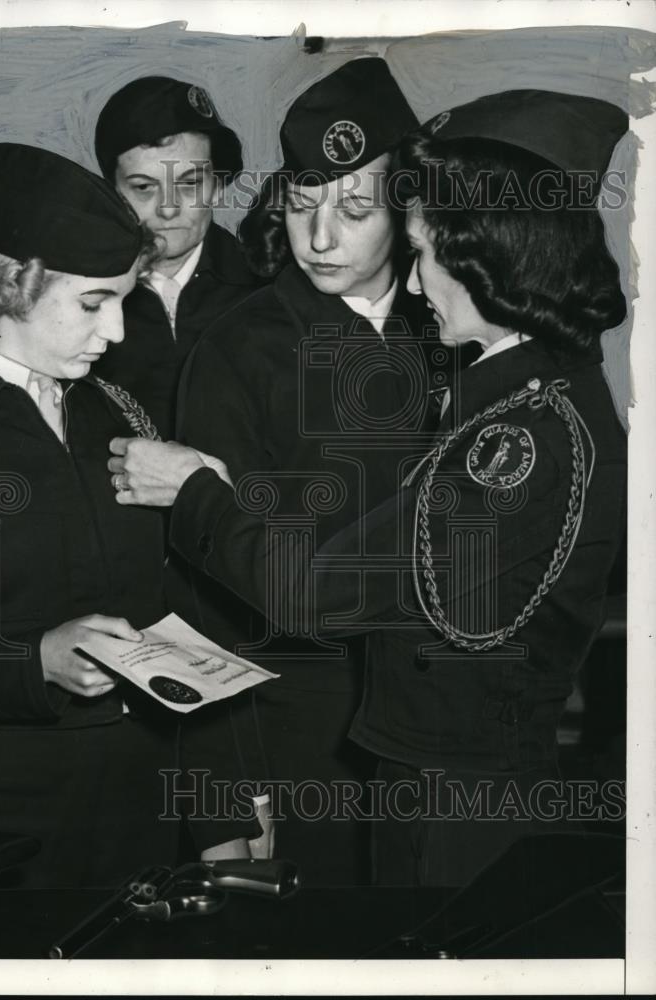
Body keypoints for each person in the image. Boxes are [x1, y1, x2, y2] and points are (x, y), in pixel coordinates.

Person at [108, 88, 629, 887]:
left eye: (423, 255)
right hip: (412, 754)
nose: (415, 286)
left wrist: (195, 491)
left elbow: (315, 591)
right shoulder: (535, 385)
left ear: (489, 253)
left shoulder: (521, 429)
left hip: (453, 783)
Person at [166, 57, 436, 884]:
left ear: (406, 210)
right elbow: (199, 587)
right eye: (301, 207)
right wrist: (225, 785)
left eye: (353, 210)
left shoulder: (457, 327)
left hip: (438, 727)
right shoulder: (240, 346)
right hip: (298, 736)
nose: (318, 239)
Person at [0, 143, 180, 888]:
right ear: (12, 289)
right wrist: (33, 663)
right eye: (95, 303)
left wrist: (215, 814)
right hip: (7, 826)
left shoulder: (116, 416)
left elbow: (171, 613)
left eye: (124, 300)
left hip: (147, 803)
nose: (117, 331)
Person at [91, 75, 261, 438]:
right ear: (112, 194)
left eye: (189, 183)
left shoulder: (268, 284)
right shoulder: (73, 296)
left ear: (217, 184)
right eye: (143, 187)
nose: (168, 209)